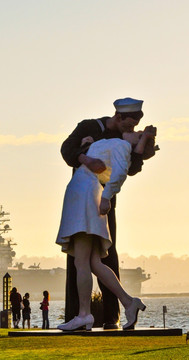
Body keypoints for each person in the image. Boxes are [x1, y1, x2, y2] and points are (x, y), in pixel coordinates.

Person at [60, 97, 156, 329]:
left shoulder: (120, 142)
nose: (130, 131)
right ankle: (114, 305)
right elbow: (67, 149)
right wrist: (86, 157)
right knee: (89, 260)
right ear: (118, 116)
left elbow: (129, 169)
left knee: (94, 258)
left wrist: (140, 146)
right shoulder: (90, 127)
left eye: (134, 129)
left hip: (97, 199)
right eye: (128, 126)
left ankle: (96, 314)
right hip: (90, 198)